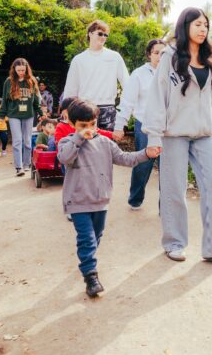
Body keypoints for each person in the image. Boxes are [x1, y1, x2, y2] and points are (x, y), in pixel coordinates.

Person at [144, 7, 212, 264]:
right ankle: (174, 242)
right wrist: (154, 136)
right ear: (185, 26)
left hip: (204, 135)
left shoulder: (210, 60)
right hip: (173, 134)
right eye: (197, 24)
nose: (202, 29)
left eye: (205, 25)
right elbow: (157, 97)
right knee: (175, 190)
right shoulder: (170, 57)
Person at [58, 98, 160, 297]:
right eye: (83, 126)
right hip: (78, 202)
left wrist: (146, 153)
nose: (89, 129)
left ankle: (87, 260)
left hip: (101, 201)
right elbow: (64, 158)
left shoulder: (105, 143)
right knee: (87, 240)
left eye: (92, 124)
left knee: (96, 237)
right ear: (72, 124)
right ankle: (90, 275)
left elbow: (125, 158)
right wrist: (79, 138)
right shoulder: (67, 142)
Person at [113, 39, 167, 210]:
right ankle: (135, 199)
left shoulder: (173, 73)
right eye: (156, 52)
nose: (160, 56)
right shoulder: (139, 74)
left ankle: (165, 206)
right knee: (144, 164)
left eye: (163, 53)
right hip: (145, 126)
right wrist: (119, 126)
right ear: (149, 54)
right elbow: (127, 102)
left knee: (168, 168)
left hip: (168, 128)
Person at [62, 20, 129, 131]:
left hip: (108, 108)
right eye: (100, 33)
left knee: (107, 146)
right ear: (90, 33)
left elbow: (127, 83)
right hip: (84, 108)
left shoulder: (114, 57)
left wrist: (125, 110)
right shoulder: (78, 59)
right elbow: (71, 87)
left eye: (105, 35)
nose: (103, 37)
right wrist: (66, 108)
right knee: (85, 146)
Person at [0, 58, 42, 176]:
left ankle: (27, 163)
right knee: (17, 140)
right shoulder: (9, 81)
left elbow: (36, 100)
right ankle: (19, 167)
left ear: (27, 69)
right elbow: (4, 100)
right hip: (14, 115)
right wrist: (1, 115)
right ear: (14, 69)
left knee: (27, 141)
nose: (21, 72)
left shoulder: (32, 81)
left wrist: (41, 114)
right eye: (18, 70)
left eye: (23, 70)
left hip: (28, 114)